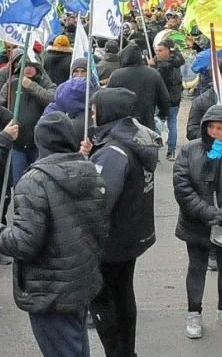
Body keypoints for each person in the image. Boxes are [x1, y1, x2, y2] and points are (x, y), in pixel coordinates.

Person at [0, 112, 107, 357]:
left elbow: (24, 243)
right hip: (80, 280)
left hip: (49, 290)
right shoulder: (90, 170)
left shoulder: (33, 182)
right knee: (76, 347)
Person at [88, 88, 160, 357]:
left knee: (104, 298)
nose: (92, 114)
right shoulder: (135, 137)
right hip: (133, 235)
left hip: (110, 241)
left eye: (95, 109)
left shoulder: (113, 152)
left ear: (109, 111)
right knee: (123, 293)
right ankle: (127, 352)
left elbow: (98, 200)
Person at [174, 105, 222, 339]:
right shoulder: (189, 150)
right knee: (196, 268)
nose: (215, 131)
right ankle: (193, 313)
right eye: (211, 127)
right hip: (196, 222)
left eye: (220, 128)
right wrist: (206, 212)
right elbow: (182, 187)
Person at [0, 52, 58, 184]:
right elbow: (0, 105)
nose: (28, 68)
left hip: (38, 143)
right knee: (18, 182)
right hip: (17, 143)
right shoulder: (11, 84)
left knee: (39, 182)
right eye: (25, 65)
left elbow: (51, 99)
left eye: (32, 65)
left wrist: (30, 86)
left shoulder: (47, 84)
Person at [107, 43, 170, 132]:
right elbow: (165, 99)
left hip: (122, 125)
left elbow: (107, 99)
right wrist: (162, 115)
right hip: (147, 123)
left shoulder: (116, 75)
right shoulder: (153, 74)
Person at [152, 41, 185, 161]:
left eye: (160, 50)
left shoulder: (164, 65)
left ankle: (156, 149)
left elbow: (156, 81)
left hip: (163, 99)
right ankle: (171, 151)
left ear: (167, 50)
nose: (158, 53)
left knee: (156, 123)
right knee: (172, 123)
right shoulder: (177, 60)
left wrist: (151, 66)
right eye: (156, 51)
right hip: (175, 98)